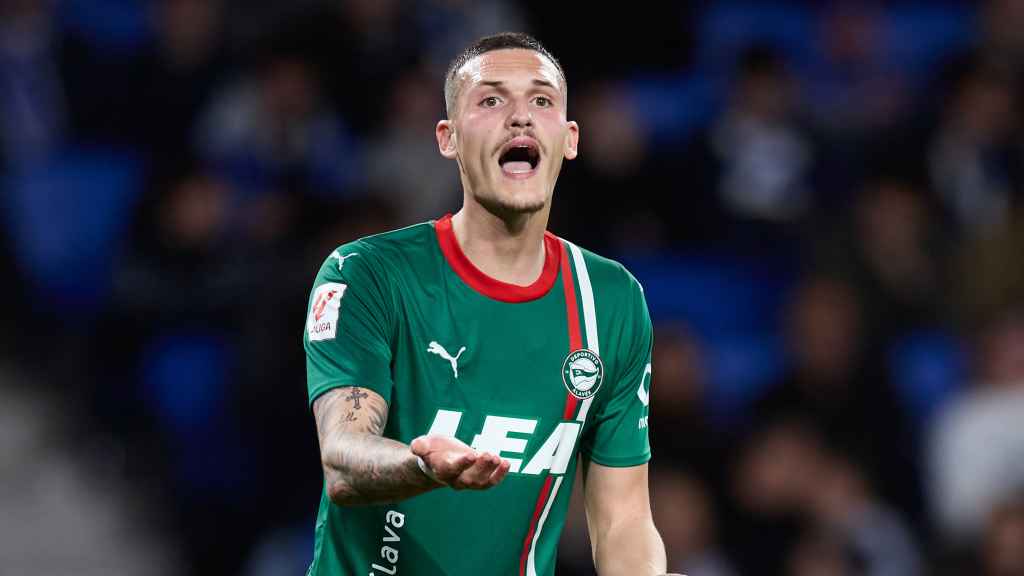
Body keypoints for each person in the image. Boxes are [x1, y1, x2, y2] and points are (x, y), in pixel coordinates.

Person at [303, 32, 668, 575]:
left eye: (541, 100)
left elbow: (623, 518)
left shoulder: (611, 301)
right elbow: (344, 459)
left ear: (569, 139)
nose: (520, 118)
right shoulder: (368, 275)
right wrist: (421, 465)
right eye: (491, 100)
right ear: (448, 138)